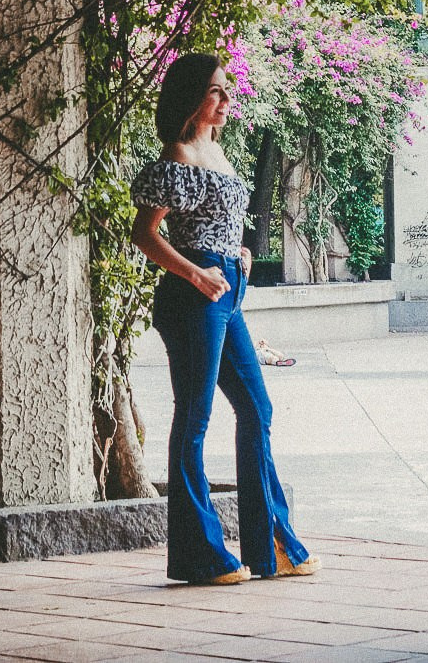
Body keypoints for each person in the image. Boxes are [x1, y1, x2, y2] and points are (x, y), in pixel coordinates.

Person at [131, 52, 318, 585]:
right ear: (192, 98)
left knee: (257, 409)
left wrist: (235, 250)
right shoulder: (180, 156)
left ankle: (273, 547)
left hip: (227, 291)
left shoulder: (215, 150)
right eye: (215, 91)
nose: (226, 99)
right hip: (196, 298)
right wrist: (198, 274)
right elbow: (145, 235)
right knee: (194, 420)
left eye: (225, 88)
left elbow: (210, 219)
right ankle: (199, 556)